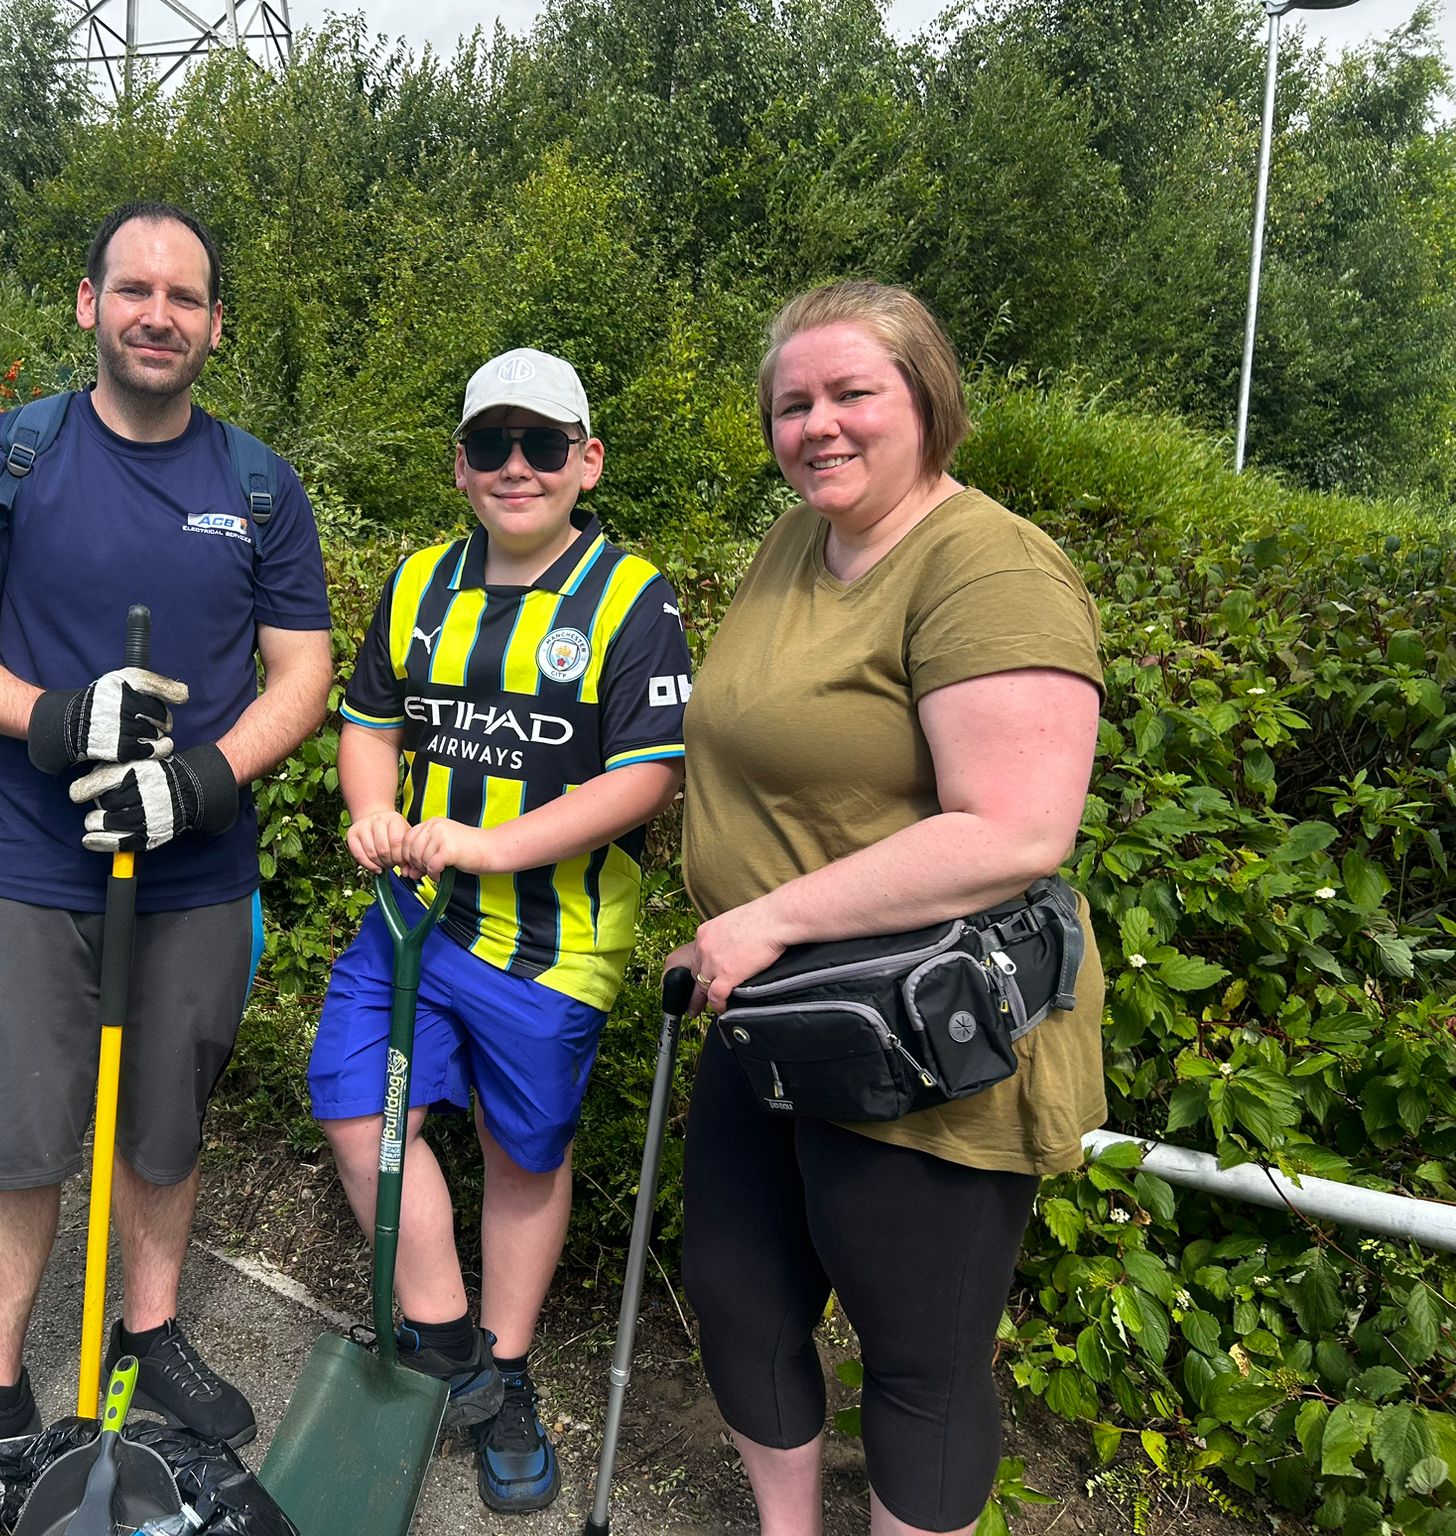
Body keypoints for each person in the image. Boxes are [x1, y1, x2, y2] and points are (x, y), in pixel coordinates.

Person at [0, 202, 332, 1533]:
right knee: (17, 1131)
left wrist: (204, 778)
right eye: (133, 289)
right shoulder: (12, 457)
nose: (158, 313)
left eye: (184, 296)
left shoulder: (258, 485)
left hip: (194, 876)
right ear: (89, 304)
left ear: (213, 326)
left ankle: (148, 1331)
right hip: (31, 862)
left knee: (162, 1124)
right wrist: (49, 717)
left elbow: (304, 671)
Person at [670, 281, 1106, 1536]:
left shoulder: (985, 564)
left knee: (915, 1362)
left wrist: (765, 916)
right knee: (740, 1294)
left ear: (926, 399)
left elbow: (1013, 829)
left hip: (920, 1033)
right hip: (768, 1006)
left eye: (852, 393)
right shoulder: (793, 543)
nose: (818, 425)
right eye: (792, 402)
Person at [310, 348, 692, 1513]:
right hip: (412, 918)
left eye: (540, 444)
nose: (513, 466)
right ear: (460, 466)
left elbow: (642, 780)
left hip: (552, 946)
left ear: (587, 460)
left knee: (523, 1151)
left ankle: (508, 1368)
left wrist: (484, 844)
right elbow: (370, 724)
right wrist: (372, 810)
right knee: (349, 1097)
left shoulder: (632, 597)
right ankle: (444, 1338)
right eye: (489, 445)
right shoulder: (420, 581)